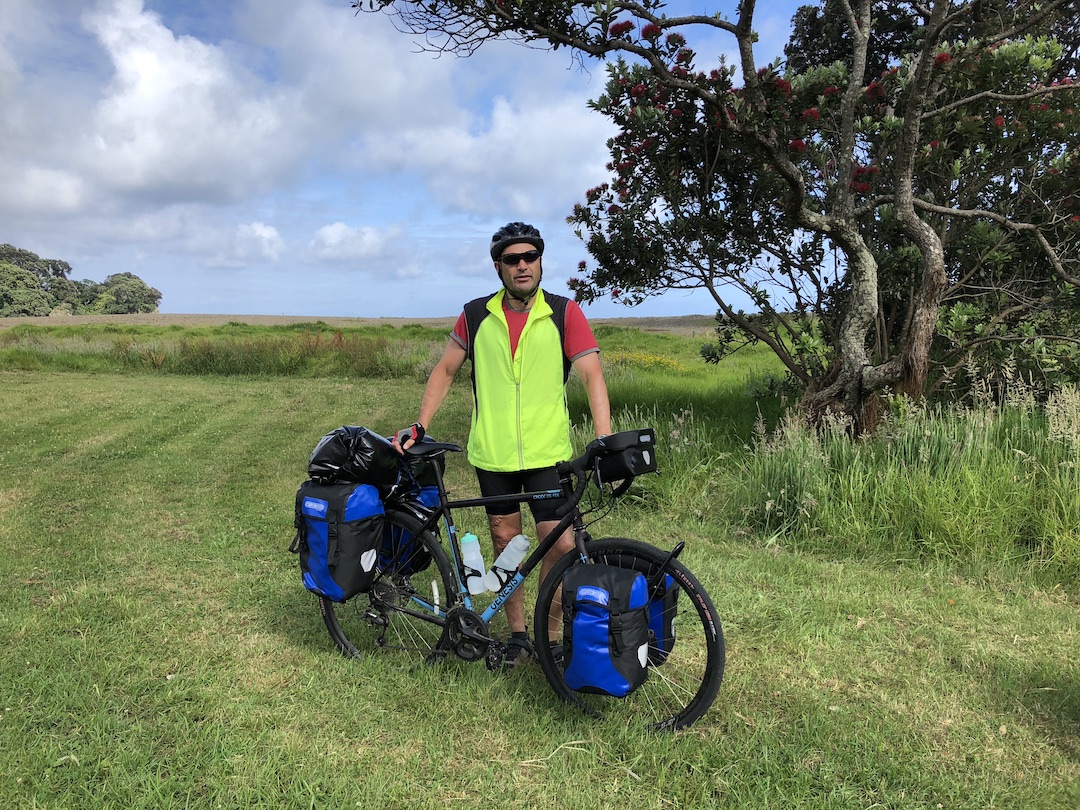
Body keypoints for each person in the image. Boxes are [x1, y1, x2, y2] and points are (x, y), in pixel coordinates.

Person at [394, 221, 612, 670]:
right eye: (512, 259)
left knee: (557, 544)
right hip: (493, 453)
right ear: (499, 267)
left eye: (530, 256)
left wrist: (604, 438)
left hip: (547, 452)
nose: (522, 265)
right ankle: (517, 636)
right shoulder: (475, 315)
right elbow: (446, 370)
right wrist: (420, 424)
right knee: (506, 541)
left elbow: (591, 374)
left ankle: (549, 637)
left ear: (540, 262)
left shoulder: (564, 313)